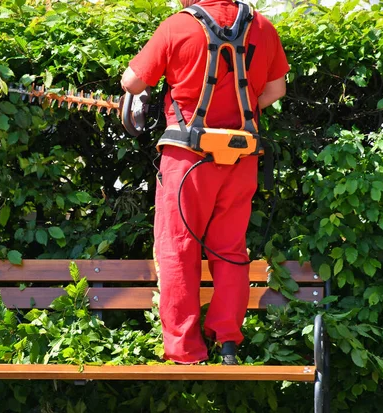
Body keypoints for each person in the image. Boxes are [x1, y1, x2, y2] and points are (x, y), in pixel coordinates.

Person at [121, 0, 289, 365]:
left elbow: (132, 82)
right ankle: (227, 340)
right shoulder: (262, 27)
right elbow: (275, 91)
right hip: (240, 157)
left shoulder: (177, 25)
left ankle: (185, 351)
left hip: (186, 159)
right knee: (230, 250)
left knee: (178, 248)